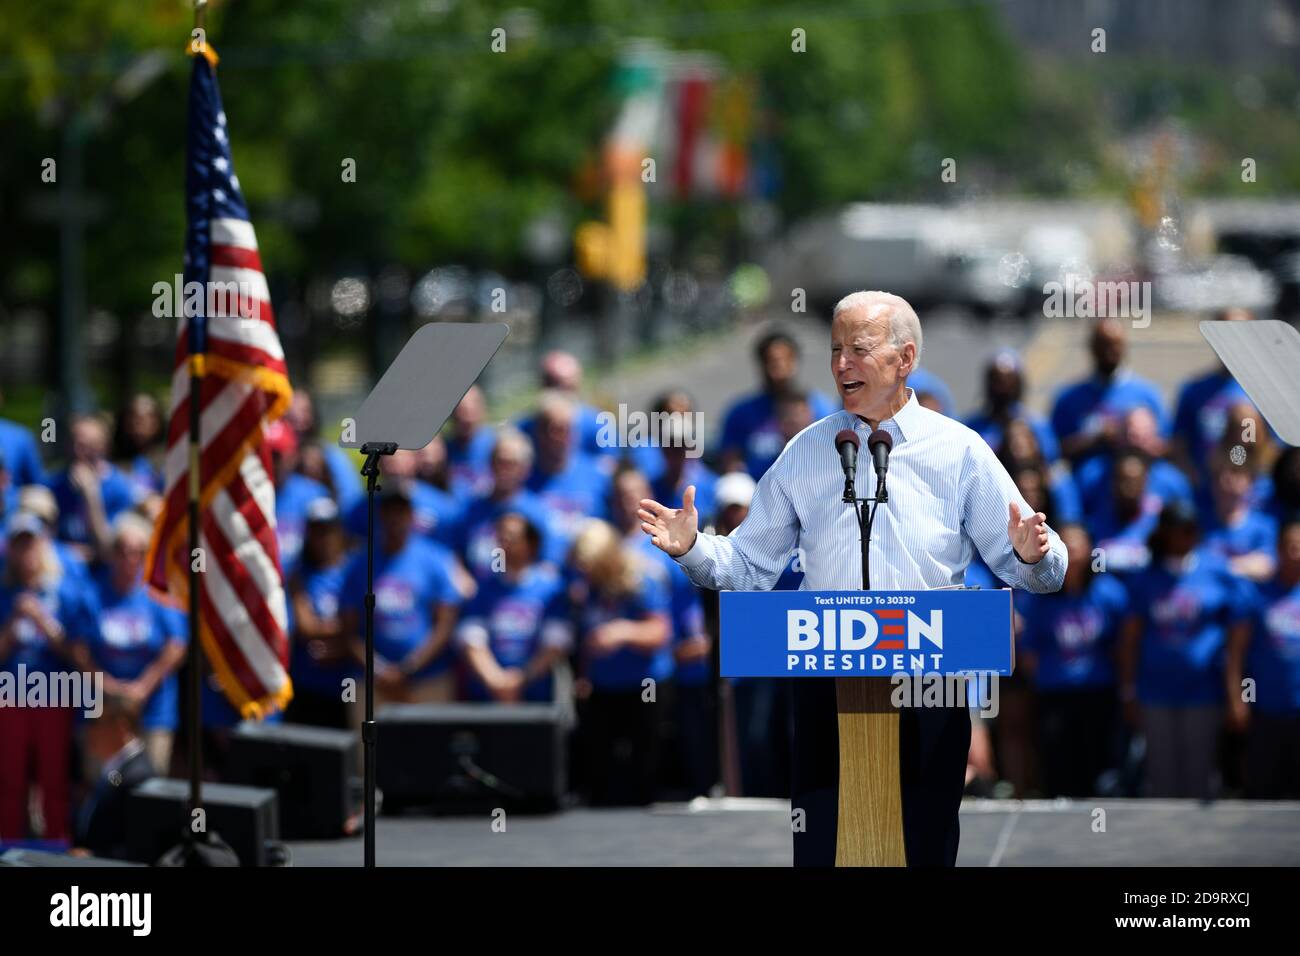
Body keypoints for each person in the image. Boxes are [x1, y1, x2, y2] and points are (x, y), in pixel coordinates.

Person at [638, 290, 1067, 866]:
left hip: (928, 681)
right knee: (822, 850)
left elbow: (1038, 570)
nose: (841, 364)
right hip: (824, 680)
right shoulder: (808, 451)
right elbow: (746, 570)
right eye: (836, 349)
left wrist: (1035, 554)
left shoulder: (960, 451)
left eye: (859, 349)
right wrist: (693, 548)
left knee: (925, 850)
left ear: (905, 358)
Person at [1118, 501, 1252, 799]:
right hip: (1156, 692)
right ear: (1165, 533)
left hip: (1203, 691)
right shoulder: (1146, 578)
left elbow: (1240, 625)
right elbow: (1130, 639)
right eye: (1180, 530)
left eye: (1192, 529)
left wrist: (1235, 691)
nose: (1187, 536)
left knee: (1200, 775)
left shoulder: (1216, 570)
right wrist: (1128, 690)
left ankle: (1200, 844)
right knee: (1162, 776)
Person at [0, 512, 100, 842]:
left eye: (31, 544)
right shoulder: (4, 595)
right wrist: (11, 631)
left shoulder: (64, 593)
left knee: (53, 777)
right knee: (9, 780)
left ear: (42, 546)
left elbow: (76, 653)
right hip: (10, 697)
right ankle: (8, 844)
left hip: (54, 696)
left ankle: (57, 845)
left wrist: (43, 621)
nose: (26, 553)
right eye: (19, 545)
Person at [1017, 524, 1128, 797]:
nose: (1074, 554)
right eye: (1067, 547)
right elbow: (1029, 650)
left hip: (1097, 692)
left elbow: (1123, 644)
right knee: (1058, 762)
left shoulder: (1108, 592)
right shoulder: (1040, 595)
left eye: (1078, 547)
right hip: (1055, 693)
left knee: (1098, 762)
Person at [73, 513, 186, 774]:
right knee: (107, 789)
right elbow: (78, 651)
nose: (129, 559)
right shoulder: (92, 595)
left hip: (153, 710)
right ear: (112, 554)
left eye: (138, 552)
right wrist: (110, 688)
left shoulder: (159, 594)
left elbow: (176, 646)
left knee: (150, 789)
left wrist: (141, 688)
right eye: (123, 551)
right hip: (103, 711)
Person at [570, 519, 672, 806]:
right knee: (602, 766)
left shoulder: (642, 578)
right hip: (604, 684)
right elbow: (586, 634)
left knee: (642, 768)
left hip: (644, 684)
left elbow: (660, 632)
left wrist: (623, 632)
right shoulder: (589, 587)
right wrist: (584, 674)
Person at [339, 481, 462, 705]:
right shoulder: (360, 563)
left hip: (428, 680)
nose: (395, 518)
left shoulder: (435, 559)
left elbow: (445, 623)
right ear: (379, 515)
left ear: (412, 515)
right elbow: (348, 629)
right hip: (371, 683)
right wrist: (380, 670)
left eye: (401, 511)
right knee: (368, 740)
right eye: (389, 511)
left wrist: (409, 668)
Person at [455, 512, 572, 703]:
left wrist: (521, 679)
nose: (504, 543)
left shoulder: (551, 588)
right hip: (487, 696)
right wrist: (496, 681)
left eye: (511, 537)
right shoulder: (484, 588)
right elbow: (471, 638)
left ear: (530, 545)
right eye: (500, 537)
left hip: (535, 697)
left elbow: (556, 643)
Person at [1226, 517, 1300, 798]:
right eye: (1289, 546)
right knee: (1262, 793)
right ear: (1278, 550)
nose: (1295, 553)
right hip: (1264, 712)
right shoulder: (1256, 595)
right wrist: (1237, 700)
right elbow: (1236, 653)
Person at [715, 328, 837, 479]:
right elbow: (730, 464)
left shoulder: (822, 409)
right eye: (771, 362)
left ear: (795, 361)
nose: (778, 370)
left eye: (784, 361)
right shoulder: (740, 413)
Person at [1050, 317, 1167, 469]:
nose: (1109, 351)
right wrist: (1095, 438)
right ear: (1091, 347)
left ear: (1125, 346)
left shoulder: (1147, 394)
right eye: (1103, 344)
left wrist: (1134, 439)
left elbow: (1167, 447)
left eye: (1115, 344)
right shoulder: (1068, 398)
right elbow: (1053, 451)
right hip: (1087, 489)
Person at [285, 497, 359, 730]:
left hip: (345, 682)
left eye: (328, 531)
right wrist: (341, 629)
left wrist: (342, 644)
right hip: (307, 682)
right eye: (317, 532)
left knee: (347, 747)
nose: (323, 539)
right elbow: (306, 626)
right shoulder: (300, 574)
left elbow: (360, 625)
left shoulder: (353, 570)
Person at [1171, 307, 1253, 488]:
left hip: (1249, 499)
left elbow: (1275, 450)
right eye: (1224, 333)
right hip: (1205, 496)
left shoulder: (1267, 391)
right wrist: (1194, 478)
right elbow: (1178, 446)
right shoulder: (1193, 390)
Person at [73, 691, 155, 859]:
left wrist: (94, 856)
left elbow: (138, 847)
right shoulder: (115, 768)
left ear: (121, 726)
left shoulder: (138, 778)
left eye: (95, 722)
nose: (88, 730)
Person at [46, 413, 136, 565]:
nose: (77, 452)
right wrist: (65, 551)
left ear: (103, 448)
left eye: (86, 446)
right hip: (63, 569)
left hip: (105, 575)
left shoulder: (120, 488)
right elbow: (40, 539)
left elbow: (108, 548)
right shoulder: (54, 484)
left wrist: (90, 494)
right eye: (73, 443)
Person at [965, 349, 1059, 462]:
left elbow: (1050, 458)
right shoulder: (971, 427)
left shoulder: (1037, 425)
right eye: (997, 381)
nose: (1002, 389)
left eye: (1009, 382)